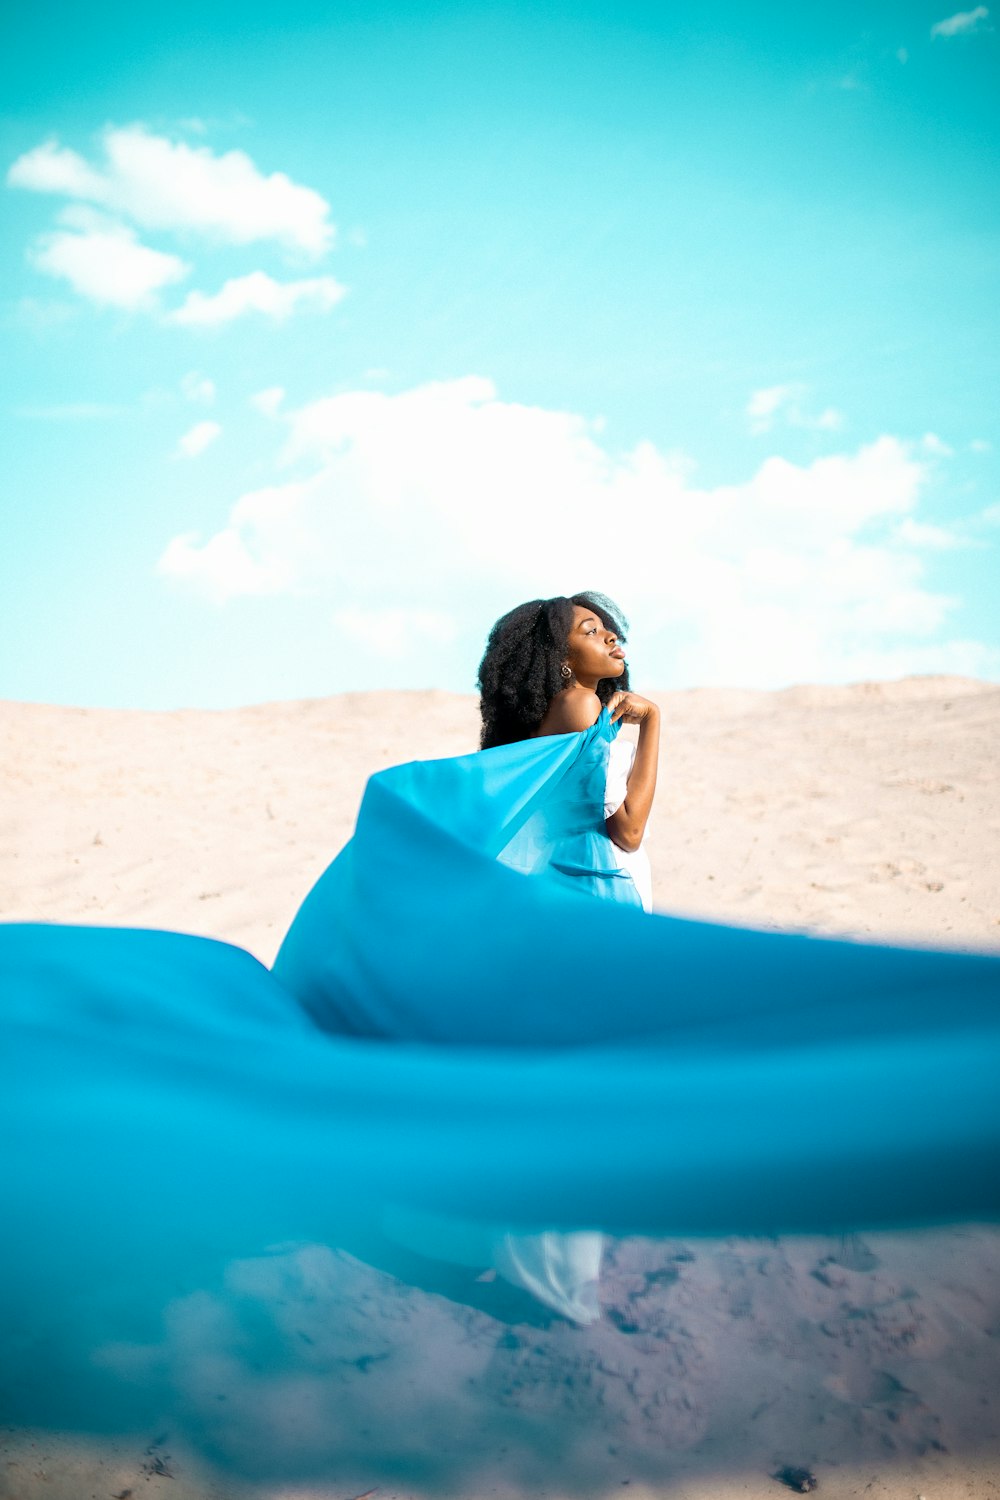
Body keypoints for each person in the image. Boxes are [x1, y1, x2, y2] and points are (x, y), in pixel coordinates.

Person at [477, 591, 659, 912]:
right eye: (591, 631)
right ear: (562, 660)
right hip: (595, 882)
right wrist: (652, 721)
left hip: (565, 876)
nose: (610, 635)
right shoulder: (580, 704)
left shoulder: (557, 713)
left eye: (605, 627)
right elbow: (629, 832)